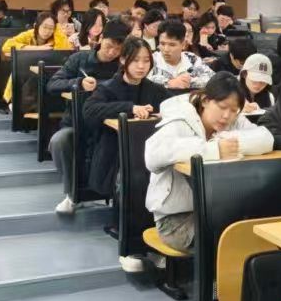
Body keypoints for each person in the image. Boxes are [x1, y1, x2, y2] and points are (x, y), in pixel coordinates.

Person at [140, 72, 274, 259]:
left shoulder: (234, 120)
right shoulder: (181, 119)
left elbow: (266, 139)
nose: (226, 116)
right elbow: (152, 155)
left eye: (234, 110)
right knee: (231, 241)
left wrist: (227, 140)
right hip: (176, 220)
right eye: (222, 107)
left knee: (256, 233)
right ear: (205, 100)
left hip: (217, 212)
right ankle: (212, 281)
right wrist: (213, 149)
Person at [47, 23, 129, 214]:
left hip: (108, 126)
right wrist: (79, 82)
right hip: (77, 123)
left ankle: (118, 198)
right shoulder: (79, 59)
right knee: (59, 141)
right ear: (100, 39)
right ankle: (72, 194)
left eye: (118, 49)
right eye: (109, 46)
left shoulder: (123, 66)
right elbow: (52, 84)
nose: (112, 52)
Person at [83, 37, 168, 201]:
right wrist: (130, 108)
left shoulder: (154, 89)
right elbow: (89, 110)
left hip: (148, 149)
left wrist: (161, 113)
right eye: (135, 60)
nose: (141, 66)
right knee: (134, 176)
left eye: (146, 61)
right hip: (114, 152)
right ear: (123, 60)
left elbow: (174, 106)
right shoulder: (108, 87)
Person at [0, 10, 74, 104]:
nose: (47, 31)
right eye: (44, 27)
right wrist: (37, 48)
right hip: (25, 72)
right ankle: (16, 102)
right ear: (36, 26)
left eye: (51, 28)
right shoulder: (29, 34)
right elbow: (7, 46)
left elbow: (64, 51)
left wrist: (58, 29)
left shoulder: (55, 37)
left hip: (47, 74)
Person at [149, 20, 213, 91]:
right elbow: (144, 81)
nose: (166, 49)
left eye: (172, 45)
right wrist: (168, 83)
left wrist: (188, 82)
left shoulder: (192, 59)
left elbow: (212, 79)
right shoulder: (151, 60)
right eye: (162, 44)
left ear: (183, 44)